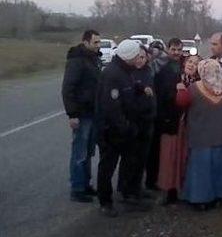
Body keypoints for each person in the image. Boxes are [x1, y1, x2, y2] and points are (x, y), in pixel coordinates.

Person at [95, 39, 154, 217]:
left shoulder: (125, 71)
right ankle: (105, 202)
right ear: (128, 57)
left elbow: (127, 89)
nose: (139, 58)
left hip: (126, 129)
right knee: (107, 167)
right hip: (111, 131)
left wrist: (140, 88)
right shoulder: (112, 74)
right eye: (136, 55)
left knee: (130, 163)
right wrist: (126, 127)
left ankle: (129, 195)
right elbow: (112, 108)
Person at [177, 59, 222, 208]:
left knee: (201, 170)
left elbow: (181, 103)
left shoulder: (194, 89)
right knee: (221, 168)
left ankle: (200, 199)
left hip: (201, 137)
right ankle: (220, 195)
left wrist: (180, 89)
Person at [61, 29, 102, 203]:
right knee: (79, 152)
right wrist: (73, 114)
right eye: (95, 43)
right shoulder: (77, 61)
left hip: (93, 112)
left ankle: (86, 184)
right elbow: (68, 88)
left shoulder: (93, 59)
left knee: (88, 152)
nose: (98, 45)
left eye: (99, 42)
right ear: (85, 42)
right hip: (82, 114)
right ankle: (77, 188)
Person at [156, 48, 200, 205]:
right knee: (169, 157)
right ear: (184, 63)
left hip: (190, 126)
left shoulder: (199, 84)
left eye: (195, 63)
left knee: (184, 157)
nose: (191, 65)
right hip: (173, 123)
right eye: (190, 62)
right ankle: (169, 190)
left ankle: (184, 189)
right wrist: (176, 92)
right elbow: (164, 98)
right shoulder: (174, 78)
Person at [145, 39, 180, 191]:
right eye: (173, 49)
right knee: (156, 149)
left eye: (179, 50)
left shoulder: (181, 66)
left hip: (175, 114)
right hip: (161, 113)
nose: (176, 53)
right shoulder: (162, 69)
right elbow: (160, 92)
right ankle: (151, 180)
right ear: (168, 49)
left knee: (169, 149)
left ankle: (165, 178)